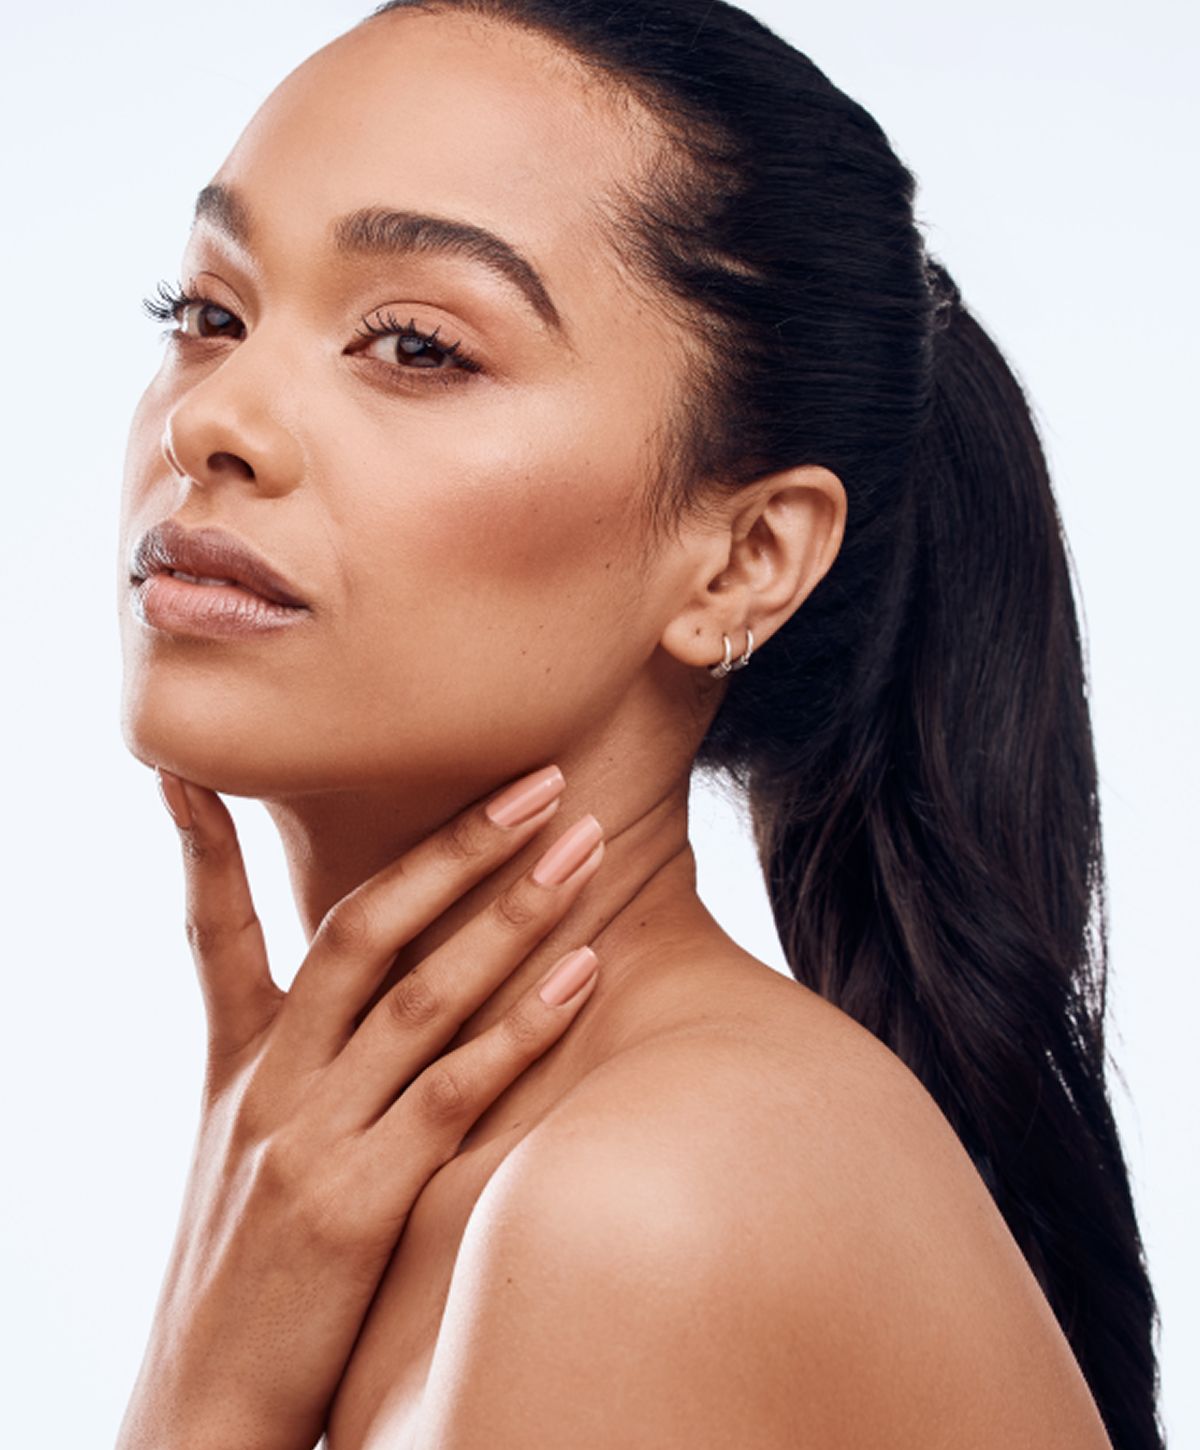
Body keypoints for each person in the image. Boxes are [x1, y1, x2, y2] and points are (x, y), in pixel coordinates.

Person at [114, 1, 1163, 1446]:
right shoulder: (378, 1204)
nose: (209, 422)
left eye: (415, 344)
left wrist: (200, 1405)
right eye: (207, 315)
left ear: (743, 560)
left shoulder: (645, 1198)